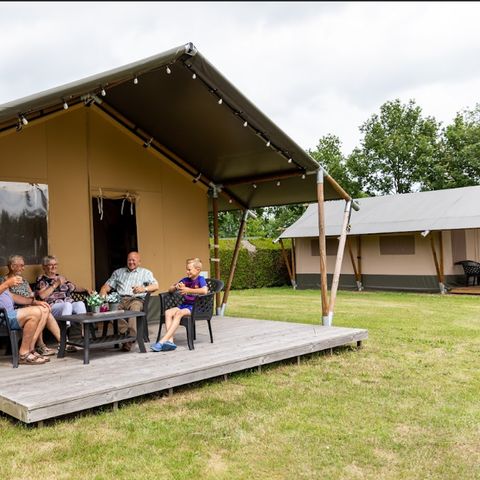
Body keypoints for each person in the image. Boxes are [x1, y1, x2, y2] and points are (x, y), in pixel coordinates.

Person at [0, 254, 62, 356]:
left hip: (27, 306)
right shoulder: (3, 281)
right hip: (15, 310)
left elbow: (28, 295)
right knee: (38, 311)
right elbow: (11, 299)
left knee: (45, 309)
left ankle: (62, 342)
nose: (23, 268)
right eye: (21, 265)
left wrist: (35, 300)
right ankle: (38, 346)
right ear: (12, 267)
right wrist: (8, 283)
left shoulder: (23, 281)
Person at [99, 251, 158, 352]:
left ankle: (128, 341)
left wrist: (143, 289)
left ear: (139, 262)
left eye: (134, 260)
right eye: (129, 260)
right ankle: (126, 332)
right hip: (119, 300)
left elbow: (156, 286)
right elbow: (107, 285)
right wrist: (103, 291)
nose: (131, 262)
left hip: (136, 299)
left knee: (134, 310)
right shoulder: (118, 272)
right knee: (109, 311)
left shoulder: (146, 273)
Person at [151, 257, 208, 352]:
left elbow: (205, 291)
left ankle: (162, 341)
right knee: (168, 312)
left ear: (197, 270)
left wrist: (189, 290)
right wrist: (175, 287)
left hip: (195, 307)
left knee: (178, 313)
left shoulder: (200, 279)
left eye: (189, 269)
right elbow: (170, 289)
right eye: (186, 269)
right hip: (185, 305)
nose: (187, 272)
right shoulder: (185, 280)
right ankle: (170, 341)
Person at [35, 255, 89, 340]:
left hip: (68, 304)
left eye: (55, 264)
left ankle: (83, 332)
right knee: (67, 305)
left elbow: (74, 288)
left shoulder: (62, 278)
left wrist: (86, 289)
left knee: (80, 304)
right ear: (44, 267)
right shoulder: (41, 279)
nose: (54, 267)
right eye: (50, 265)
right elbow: (42, 295)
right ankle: (65, 333)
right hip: (53, 307)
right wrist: (55, 284)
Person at [0, 276, 51, 365]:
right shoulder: (3, 285)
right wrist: (7, 284)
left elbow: (15, 297)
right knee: (34, 312)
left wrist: (35, 302)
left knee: (42, 309)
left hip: (9, 315)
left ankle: (30, 349)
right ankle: (23, 354)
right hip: (3, 318)